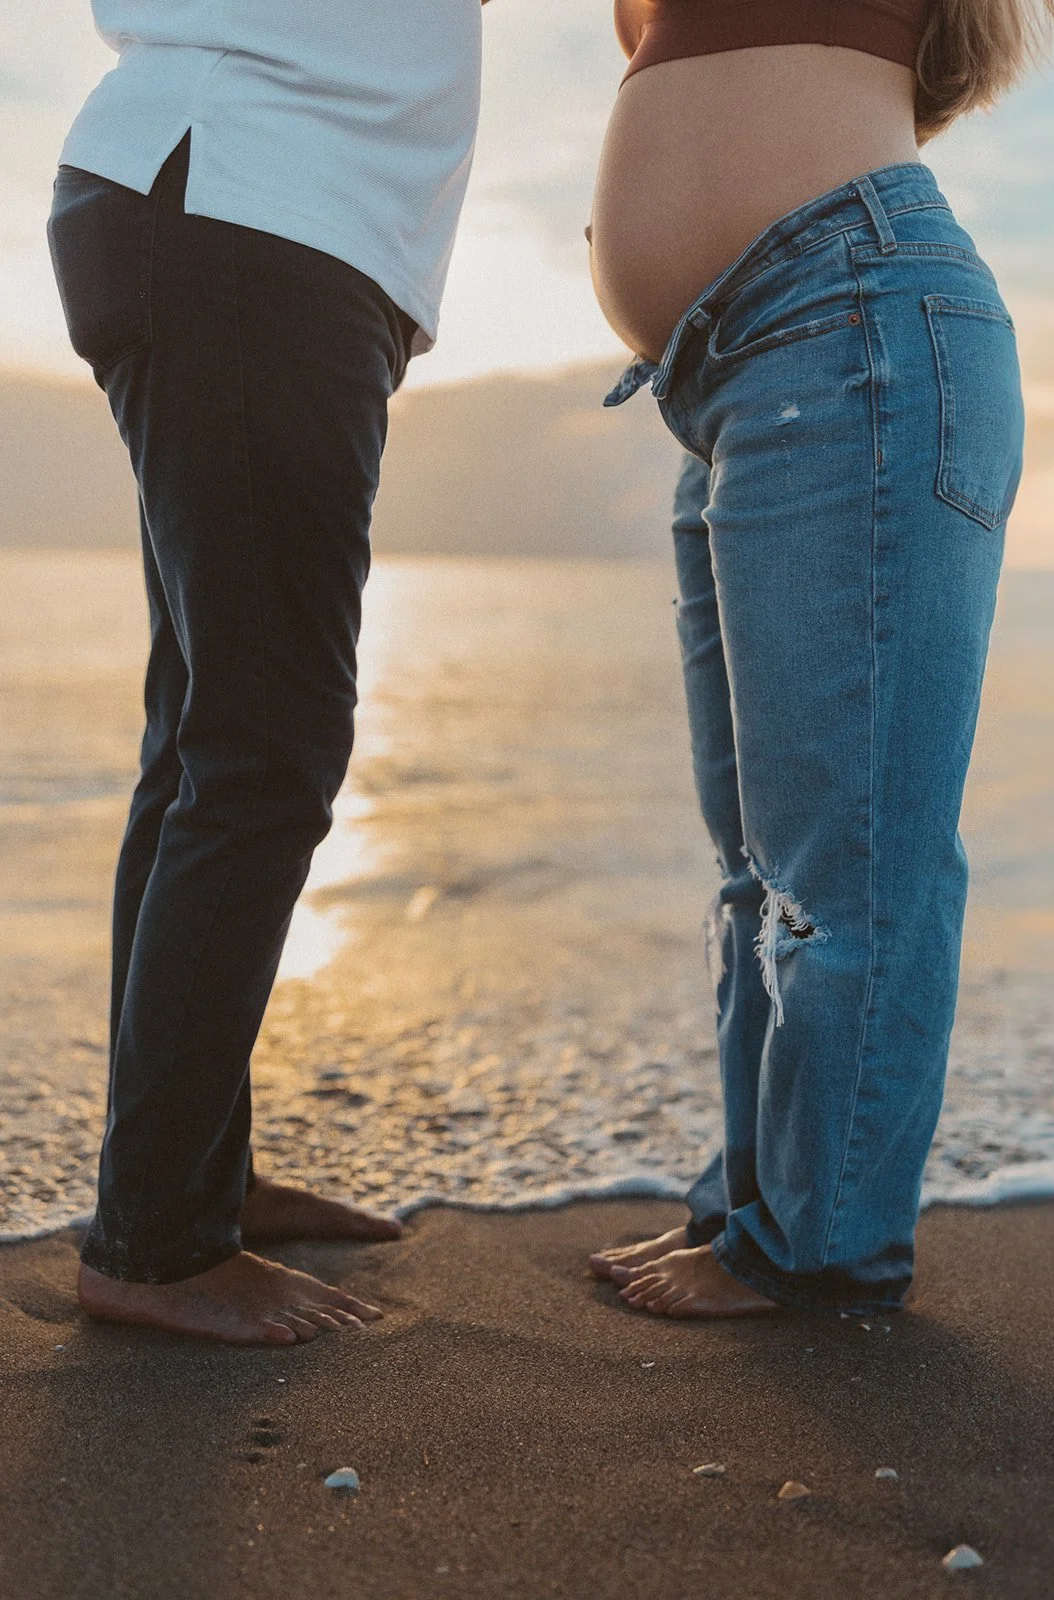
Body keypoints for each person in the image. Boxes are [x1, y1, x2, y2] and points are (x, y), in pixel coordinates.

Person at [588, 0, 1054, 1318]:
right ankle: (760, 1206)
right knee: (761, 863)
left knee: (843, 861)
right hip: (744, 365)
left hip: (845, 326)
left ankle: (819, 1245)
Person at [47, 0, 489, 1346]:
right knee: (263, 745)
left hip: (237, 203)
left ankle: (189, 1182)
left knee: (205, 740)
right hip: (252, 202)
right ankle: (158, 1244)